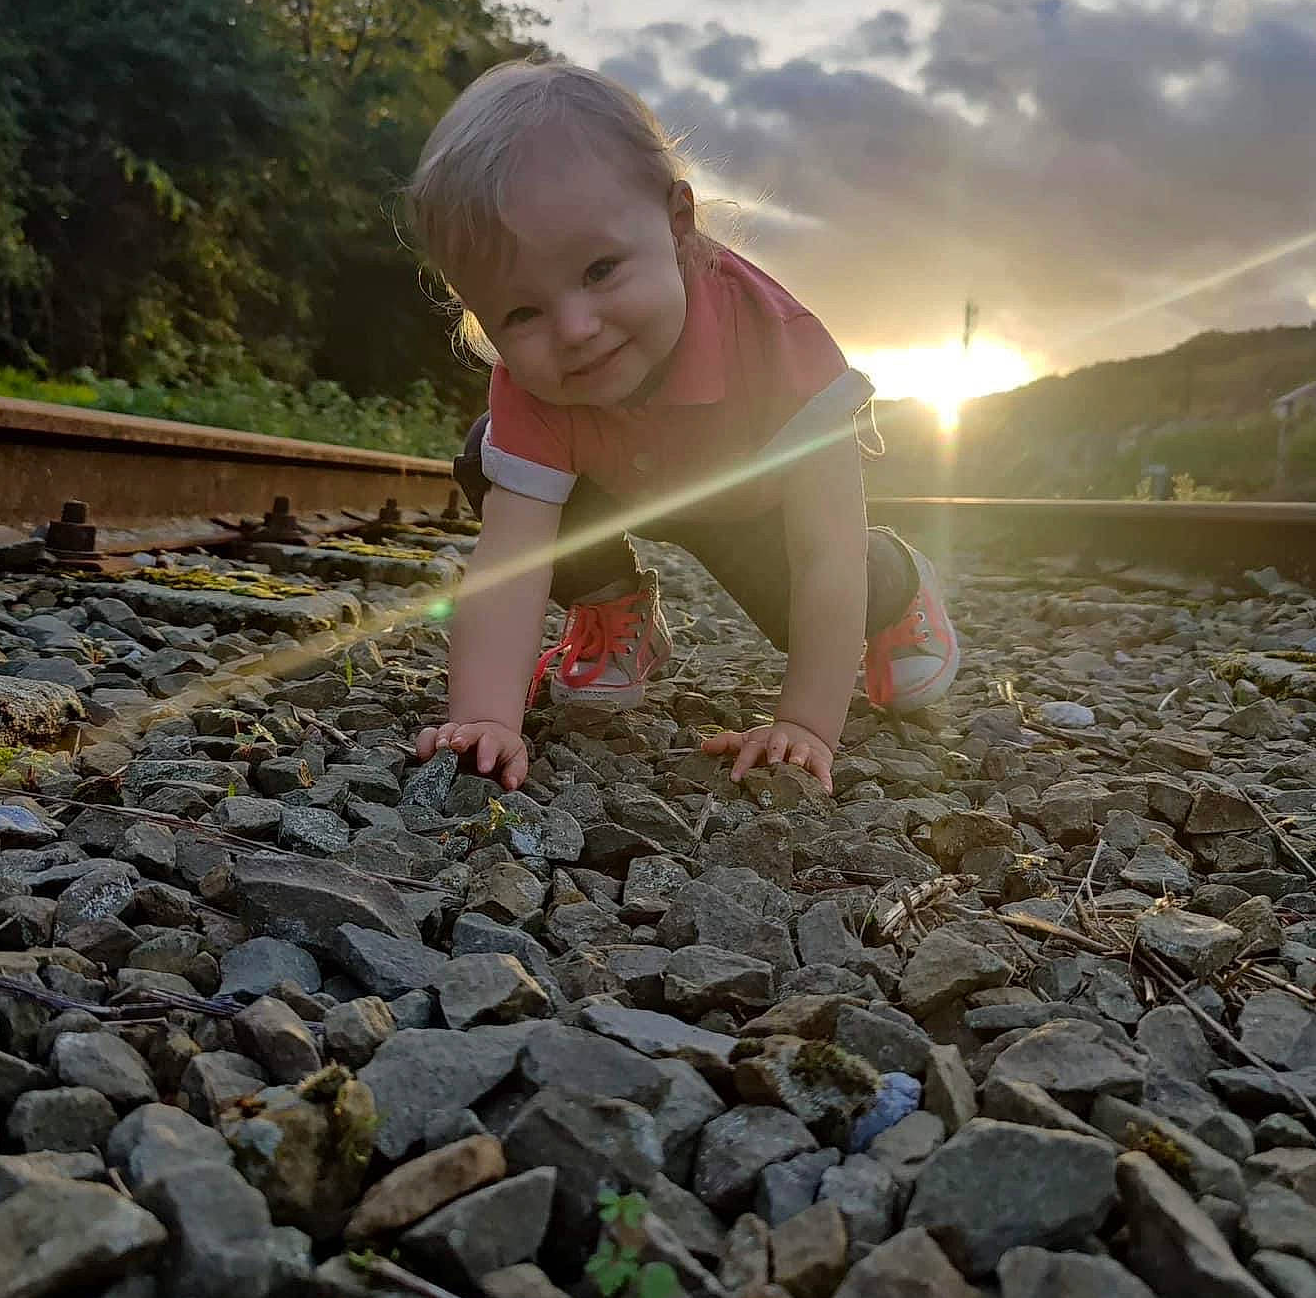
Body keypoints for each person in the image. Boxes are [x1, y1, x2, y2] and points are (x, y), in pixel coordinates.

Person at [403, 56, 959, 795]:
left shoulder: (781, 347)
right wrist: (487, 718)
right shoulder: (534, 384)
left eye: (600, 270)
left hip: (756, 501)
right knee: (489, 457)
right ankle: (614, 607)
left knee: (817, 616)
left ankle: (900, 585)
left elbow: (825, 556)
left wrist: (803, 724)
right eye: (521, 312)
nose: (574, 328)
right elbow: (510, 564)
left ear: (677, 224)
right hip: (622, 482)